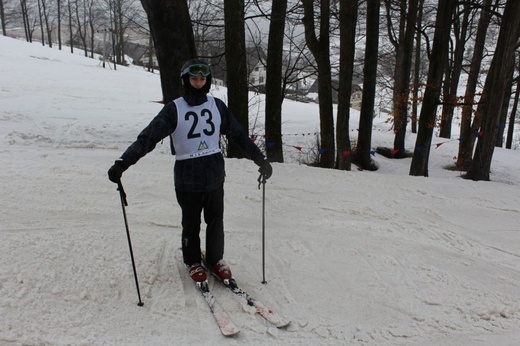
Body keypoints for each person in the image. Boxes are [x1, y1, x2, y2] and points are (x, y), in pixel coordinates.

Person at [108, 59, 272, 283]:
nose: (198, 82)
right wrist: (122, 163)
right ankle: (192, 260)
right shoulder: (174, 109)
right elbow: (148, 138)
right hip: (188, 175)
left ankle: (215, 258)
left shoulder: (217, 106)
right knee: (191, 222)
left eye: (202, 79)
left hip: (214, 172)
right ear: (186, 80)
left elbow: (238, 135)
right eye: (194, 78)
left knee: (216, 220)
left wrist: (260, 159)